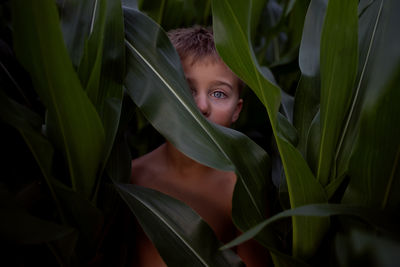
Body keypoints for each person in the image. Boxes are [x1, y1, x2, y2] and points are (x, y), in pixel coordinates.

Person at [130, 26, 270, 267]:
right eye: (187, 89)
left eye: (218, 94)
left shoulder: (242, 190)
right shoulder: (132, 177)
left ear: (237, 110)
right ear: (163, 93)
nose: (202, 106)